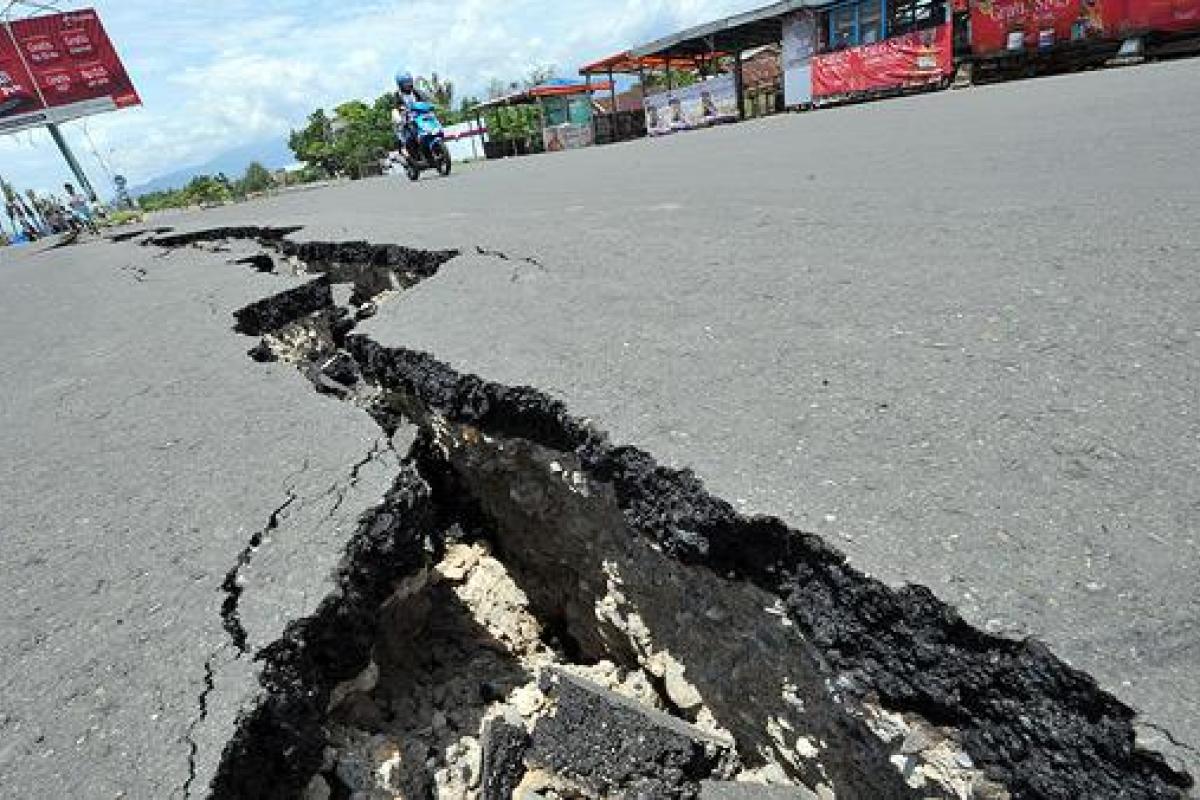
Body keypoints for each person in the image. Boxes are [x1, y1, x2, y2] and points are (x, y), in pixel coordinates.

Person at [391, 71, 429, 162]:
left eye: (409, 82)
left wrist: (428, 104)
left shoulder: (415, 92)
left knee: (427, 131)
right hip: (406, 119)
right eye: (405, 83)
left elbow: (424, 100)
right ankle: (415, 158)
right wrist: (402, 109)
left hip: (419, 117)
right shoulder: (398, 95)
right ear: (400, 84)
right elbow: (396, 106)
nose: (408, 85)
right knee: (410, 138)